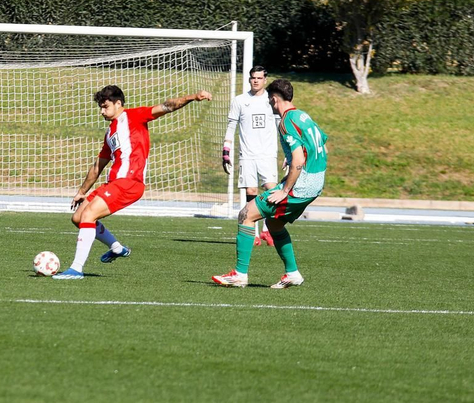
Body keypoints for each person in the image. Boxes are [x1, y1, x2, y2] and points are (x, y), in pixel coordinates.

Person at [54, 84, 212, 279]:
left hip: (130, 182)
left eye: (105, 107)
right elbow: (98, 165)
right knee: (78, 218)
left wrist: (193, 96)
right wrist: (81, 191)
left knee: (88, 216)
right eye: (100, 108)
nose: (102, 112)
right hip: (114, 183)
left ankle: (76, 269)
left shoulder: (134, 116)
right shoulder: (110, 132)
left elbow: (167, 106)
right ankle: (117, 248)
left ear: (118, 103)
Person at [212, 78, 326, 290]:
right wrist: (293, 157)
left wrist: (285, 190)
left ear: (274, 99)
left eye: (270, 101)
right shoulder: (303, 116)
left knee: (247, 214)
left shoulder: (285, 122)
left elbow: (299, 160)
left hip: (300, 186)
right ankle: (292, 273)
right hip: (316, 184)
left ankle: (239, 274)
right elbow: (321, 143)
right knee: (274, 223)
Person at [223, 65, 280, 246]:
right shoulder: (239, 101)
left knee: (271, 191)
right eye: (252, 78)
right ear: (249, 79)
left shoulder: (272, 100)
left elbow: (281, 127)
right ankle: (254, 233)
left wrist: (287, 152)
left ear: (265, 80)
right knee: (251, 192)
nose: (255, 81)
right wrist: (226, 150)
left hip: (268, 155)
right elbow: (231, 127)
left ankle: (266, 231)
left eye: (259, 78)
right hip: (247, 155)